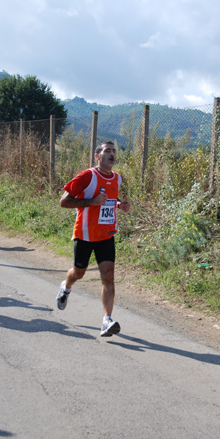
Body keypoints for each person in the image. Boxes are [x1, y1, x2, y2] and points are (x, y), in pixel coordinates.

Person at [56, 141, 130, 337]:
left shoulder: (117, 178)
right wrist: (91, 202)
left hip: (106, 234)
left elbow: (111, 199)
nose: (112, 154)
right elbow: (64, 201)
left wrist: (120, 204)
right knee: (79, 273)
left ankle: (107, 320)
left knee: (108, 276)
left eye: (114, 151)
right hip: (85, 234)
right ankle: (66, 286)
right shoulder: (87, 176)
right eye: (107, 151)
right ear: (97, 156)